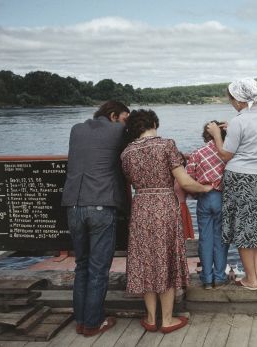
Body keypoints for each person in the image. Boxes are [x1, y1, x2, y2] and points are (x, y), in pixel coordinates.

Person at [121, 109, 212, 334]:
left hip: (141, 206)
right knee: (166, 259)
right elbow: (185, 182)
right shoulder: (166, 145)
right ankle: (168, 319)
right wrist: (205, 187)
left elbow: (131, 181)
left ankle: (151, 318)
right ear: (154, 123)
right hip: (163, 206)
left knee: (147, 262)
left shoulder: (127, 153)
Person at [61, 100, 130, 337]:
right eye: (124, 118)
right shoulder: (119, 130)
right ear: (113, 116)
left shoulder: (76, 129)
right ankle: (92, 323)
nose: (126, 123)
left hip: (73, 204)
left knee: (82, 265)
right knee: (98, 269)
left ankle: (81, 320)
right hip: (101, 204)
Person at [207, 78, 257, 291]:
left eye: (231, 99)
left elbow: (226, 155)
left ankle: (251, 280)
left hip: (240, 178)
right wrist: (234, 128)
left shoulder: (238, 121)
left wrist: (217, 134)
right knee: (253, 229)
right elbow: (253, 134)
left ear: (237, 100)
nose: (230, 103)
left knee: (243, 230)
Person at [186, 121, 229, 289]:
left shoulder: (197, 153)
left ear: (205, 136)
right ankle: (219, 277)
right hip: (221, 197)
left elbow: (189, 178)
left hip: (204, 197)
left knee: (205, 238)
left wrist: (198, 192)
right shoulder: (227, 153)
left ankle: (206, 279)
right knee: (221, 240)